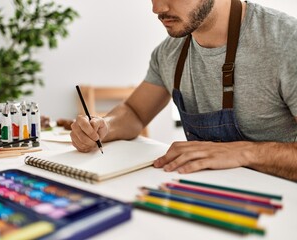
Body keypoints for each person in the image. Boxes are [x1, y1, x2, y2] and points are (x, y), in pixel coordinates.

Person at [70, 0, 297, 182]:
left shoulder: (286, 42)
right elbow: (134, 112)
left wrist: (245, 152)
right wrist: (104, 127)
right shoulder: (167, 54)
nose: (157, 8)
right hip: (208, 197)